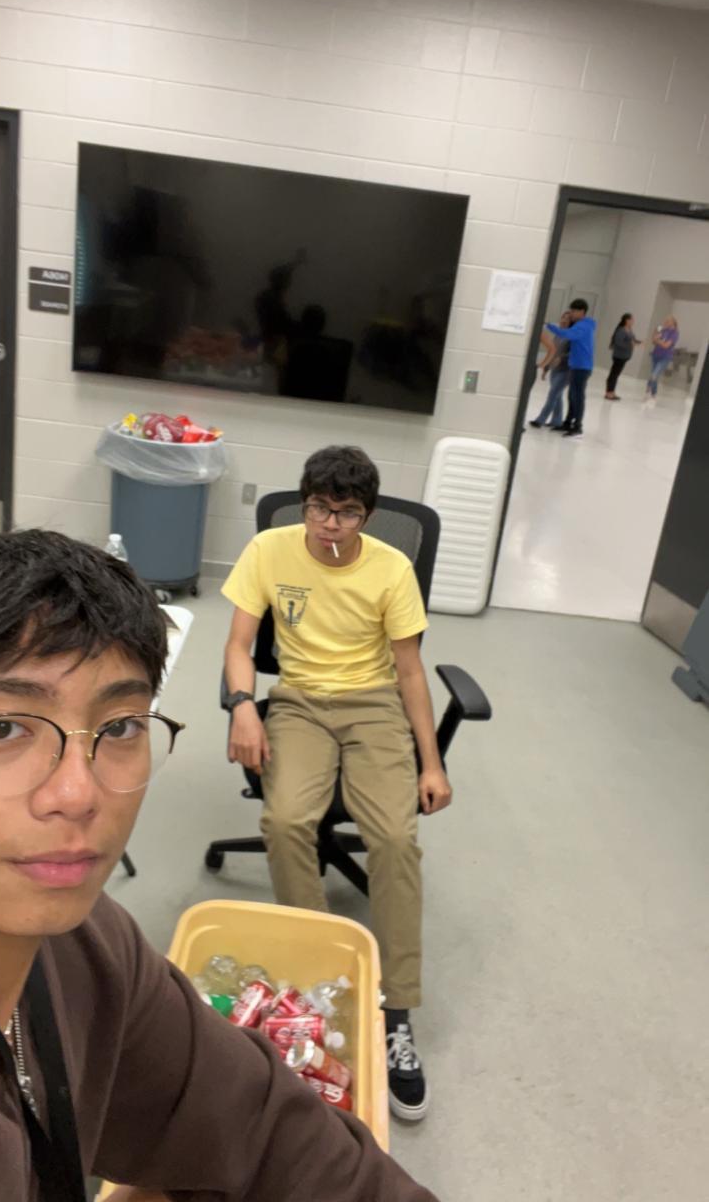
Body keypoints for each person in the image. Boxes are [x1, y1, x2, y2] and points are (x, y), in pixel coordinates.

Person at [0, 529, 438, 1202]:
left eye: (120, 728)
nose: (79, 793)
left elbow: (268, 1133)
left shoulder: (90, 945)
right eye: (0, 728)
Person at [222, 447, 452, 1124]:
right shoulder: (268, 549)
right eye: (319, 508)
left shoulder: (391, 568)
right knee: (286, 821)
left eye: (347, 512)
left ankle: (396, 1010)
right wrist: (242, 705)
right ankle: (319, 980)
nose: (330, 523)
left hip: (374, 705)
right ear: (304, 504)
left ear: (366, 517)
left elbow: (409, 671)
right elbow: (238, 643)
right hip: (297, 703)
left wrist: (432, 764)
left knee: (393, 838)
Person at [545, 298, 596, 438]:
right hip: (576, 365)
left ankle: (578, 427)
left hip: (582, 367)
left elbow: (567, 334)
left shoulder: (583, 326)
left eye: (574, 311)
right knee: (572, 396)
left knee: (578, 397)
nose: (571, 313)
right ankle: (568, 423)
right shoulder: (581, 325)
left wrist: (549, 326)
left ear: (582, 311)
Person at [529, 311, 571, 429]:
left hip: (566, 370)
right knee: (557, 395)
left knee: (553, 394)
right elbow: (553, 352)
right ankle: (557, 421)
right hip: (555, 370)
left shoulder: (572, 336)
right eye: (563, 317)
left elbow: (574, 353)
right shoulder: (558, 335)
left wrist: (562, 358)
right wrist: (546, 368)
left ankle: (540, 420)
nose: (564, 320)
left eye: (567, 318)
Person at [644, 315, 679, 406]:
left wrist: (658, 340)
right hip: (656, 355)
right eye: (665, 321)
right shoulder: (663, 330)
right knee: (654, 375)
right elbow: (653, 341)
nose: (665, 322)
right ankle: (653, 394)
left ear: (673, 323)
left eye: (668, 321)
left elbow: (666, 345)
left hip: (665, 357)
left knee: (654, 374)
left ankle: (648, 389)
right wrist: (655, 334)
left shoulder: (674, 333)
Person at [605, 313, 640, 400]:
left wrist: (638, 342)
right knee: (614, 374)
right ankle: (609, 393)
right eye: (632, 319)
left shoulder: (629, 330)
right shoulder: (621, 330)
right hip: (619, 356)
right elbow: (619, 342)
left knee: (616, 374)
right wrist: (630, 344)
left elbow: (631, 340)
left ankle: (612, 392)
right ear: (627, 320)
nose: (633, 321)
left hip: (625, 356)